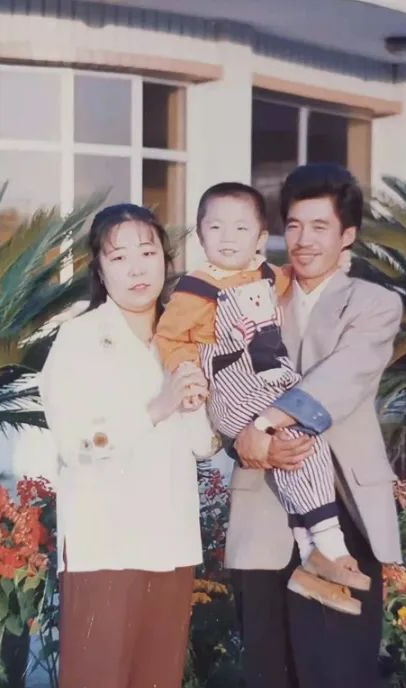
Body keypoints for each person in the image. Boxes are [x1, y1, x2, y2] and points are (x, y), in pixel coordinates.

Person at [226, 164, 404, 688]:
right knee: (269, 674)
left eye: (320, 227)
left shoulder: (374, 303)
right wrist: (243, 440)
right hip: (263, 501)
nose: (303, 240)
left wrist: (264, 424)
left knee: (337, 677)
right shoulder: (248, 297)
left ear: (348, 235)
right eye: (295, 225)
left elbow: (343, 378)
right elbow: (221, 376)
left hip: (341, 510)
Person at [154, 182, 370, 615]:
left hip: (271, 385)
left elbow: (294, 280)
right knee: (298, 438)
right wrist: (187, 374)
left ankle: (312, 558)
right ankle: (330, 546)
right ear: (200, 234)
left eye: (240, 228)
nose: (228, 237)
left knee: (301, 448)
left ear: (259, 237)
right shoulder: (197, 288)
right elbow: (169, 336)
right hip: (233, 388)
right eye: (216, 227)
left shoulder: (267, 275)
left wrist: (334, 265)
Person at [39, 203, 215, 688]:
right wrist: (155, 409)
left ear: (166, 259)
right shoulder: (78, 339)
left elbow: (203, 444)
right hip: (106, 545)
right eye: (119, 258)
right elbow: (74, 442)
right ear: (100, 270)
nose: (137, 269)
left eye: (148, 252)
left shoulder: (184, 336)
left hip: (171, 540)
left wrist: (196, 401)